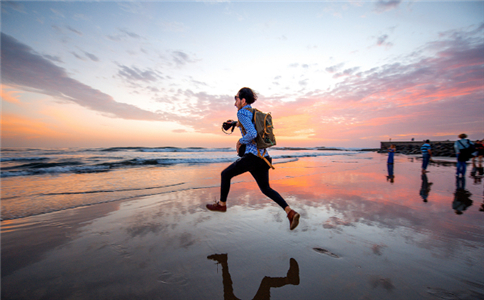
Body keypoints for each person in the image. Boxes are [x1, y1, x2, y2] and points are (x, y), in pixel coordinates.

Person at [206, 87, 300, 230]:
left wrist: (240, 141)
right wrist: (233, 123)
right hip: (264, 158)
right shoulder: (253, 112)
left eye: (236, 98)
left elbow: (252, 133)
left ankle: (222, 204)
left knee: (225, 174)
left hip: (252, 158)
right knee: (266, 189)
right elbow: (246, 123)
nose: (234, 102)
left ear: (243, 100)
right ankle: (290, 212)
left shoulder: (242, 112)